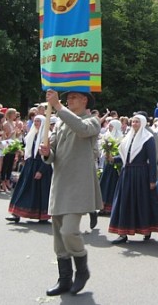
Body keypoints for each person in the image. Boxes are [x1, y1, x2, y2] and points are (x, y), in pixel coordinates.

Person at [40, 89, 103, 296]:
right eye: (67, 98)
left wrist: (58, 107)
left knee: (69, 231)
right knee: (58, 237)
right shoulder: (59, 122)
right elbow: (54, 154)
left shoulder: (92, 120)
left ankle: (82, 270)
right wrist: (47, 154)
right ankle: (64, 278)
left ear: (85, 100)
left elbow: (82, 129)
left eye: (73, 98)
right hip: (60, 183)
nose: (68, 101)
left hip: (78, 185)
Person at [108, 114, 158, 244]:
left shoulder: (148, 139)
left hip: (141, 174)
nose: (134, 124)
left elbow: (152, 161)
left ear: (142, 123)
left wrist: (152, 180)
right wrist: (113, 159)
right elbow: (126, 157)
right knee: (124, 201)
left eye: (137, 122)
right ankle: (122, 233)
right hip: (127, 173)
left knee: (141, 202)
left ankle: (146, 229)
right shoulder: (128, 138)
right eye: (133, 122)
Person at [5, 115, 53, 223]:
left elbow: (48, 155)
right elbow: (29, 150)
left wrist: (41, 170)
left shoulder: (48, 136)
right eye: (35, 121)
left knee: (41, 192)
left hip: (41, 164)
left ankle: (42, 216)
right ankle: (16, 214)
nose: (36, 123)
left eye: (38, 121)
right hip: (30, 165)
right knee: (23, 189)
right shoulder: (32, 134)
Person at [98, 119, 123, 214]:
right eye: (109, 125)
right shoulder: (106, 136)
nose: (110, 127)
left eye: (112, 126)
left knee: (112, 185)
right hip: (107, 164)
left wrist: (113, 156)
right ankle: (102, 207)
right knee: (105, 184)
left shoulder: (120, 137)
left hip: (115, 166)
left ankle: (110, 207)